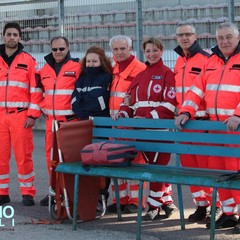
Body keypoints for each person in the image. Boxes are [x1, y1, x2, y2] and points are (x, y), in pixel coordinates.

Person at [175, 22, 240, 233]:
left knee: (236, 173)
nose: (225, 41)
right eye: (220, 38)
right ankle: (230, 214)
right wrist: (186, 111)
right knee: (219, 172)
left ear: (237, 38)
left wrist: (238, 114)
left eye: (229, 37)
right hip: (216, 128)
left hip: (235, 129)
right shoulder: (212, 61)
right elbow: (197, 90)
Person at [117, 37, 177, 220]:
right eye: (148, 51)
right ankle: (166, 203)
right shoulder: (140, 76)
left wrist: (149, 117)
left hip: (159, 132)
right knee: (155, 168)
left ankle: (152, 207)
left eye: (155, 50)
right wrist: (123, 113)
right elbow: (129, 102)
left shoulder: (168, 73)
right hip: (141, 131)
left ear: (162, 51)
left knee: (156, 169)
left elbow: (170, 104)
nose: (151, 54)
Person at [174, 22, 221, 222]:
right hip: (185, 123)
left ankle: (215, 206)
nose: (184, 38)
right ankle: (201, 205)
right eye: (180, 35)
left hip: (202, 122)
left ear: (196, 37)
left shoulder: (206, 59)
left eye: (188, 34)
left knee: (207, 168)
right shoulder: (178, 61)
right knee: (190, 168)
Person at [0, 22, 42, 206]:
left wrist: (33, 114)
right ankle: (2, 192)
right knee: (0, 157)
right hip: (0, 116)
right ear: (3, 36)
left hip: (21, 116)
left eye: (15, 35)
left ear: (19, 37)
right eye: (9, 34)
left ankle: (27, 192)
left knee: (24, 155)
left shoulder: (29, 60)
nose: (12, 37)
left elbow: (36, 90)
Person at [39, 36, 81, 206]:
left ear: (68, 48)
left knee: (70, 160)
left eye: (61, 49)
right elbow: (40, 93)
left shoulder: (77, 67)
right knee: (51, 160)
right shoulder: (44, 70)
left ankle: (71, 193)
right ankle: (54, 191)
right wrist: (44, 109)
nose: (58, 52)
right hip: (51, 122)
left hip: (70, 122)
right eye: (55, 49)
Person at [108, 35, 147, 214]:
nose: (119, 52)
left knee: (136, 161)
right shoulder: (114, 68)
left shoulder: (140, 69)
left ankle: (137, 201)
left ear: (130, 49)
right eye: (116, 49)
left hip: (132, 122)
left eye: (123, 48)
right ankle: (120, 199)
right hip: (116, 124)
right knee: (117, 160)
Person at [71, 45, 113, 210]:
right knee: (86, 160)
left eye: (94, 61)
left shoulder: (106, 77)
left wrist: (85, 105)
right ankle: (88, 197)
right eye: (88, 61)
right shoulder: (81, 78)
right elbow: (74, 102)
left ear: (101, 62)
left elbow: (101, 103)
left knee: (101, 160)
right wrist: (84, 107)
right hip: (84, 123)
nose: (91, 64)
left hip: (101, 125)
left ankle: (101, 195)